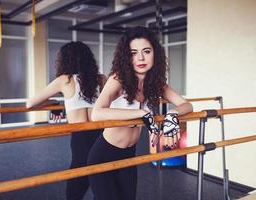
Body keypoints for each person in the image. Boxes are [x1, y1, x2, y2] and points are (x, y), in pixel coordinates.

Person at [88, 26, 193, 200]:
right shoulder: (118, 79)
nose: (141, 58)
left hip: (129, 154)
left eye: (146, 51)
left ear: (155, 54)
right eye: (133, 53)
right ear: (126, 57)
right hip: (104, 154)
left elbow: (187, 105)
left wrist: (172, 114)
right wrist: (141, 113)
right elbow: (96, 114)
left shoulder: (156, 83)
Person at [26, 41, 106, 200]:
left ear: (66, 60)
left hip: (80, 137)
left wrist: (55, 102)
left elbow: (30, 104)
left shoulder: (65, 80)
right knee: (100, 176)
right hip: (101, 135)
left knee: (76, 182)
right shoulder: (101, 79)